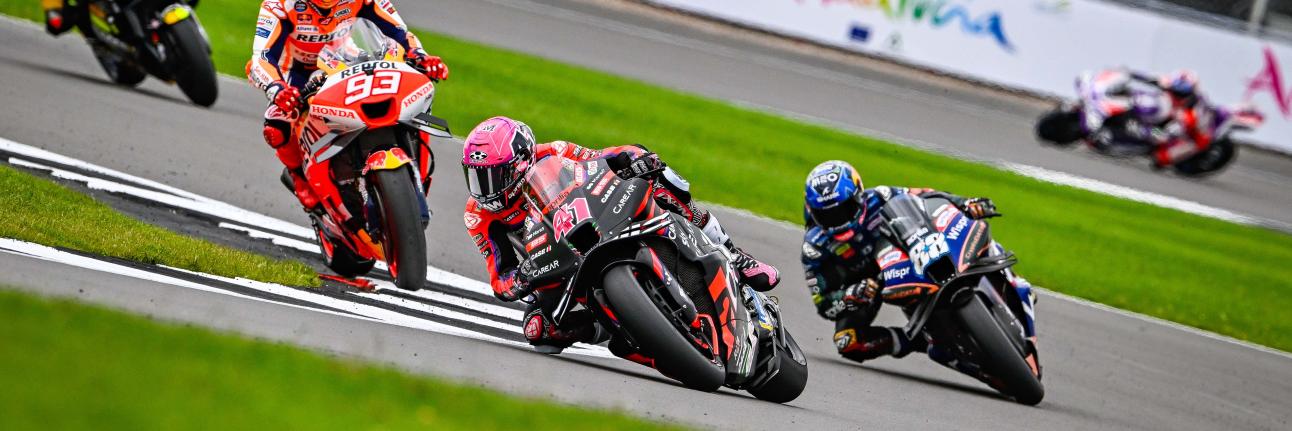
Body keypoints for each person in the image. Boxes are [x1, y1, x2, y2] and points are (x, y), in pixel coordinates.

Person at [460, 116, 780, 354]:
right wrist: (522, 277)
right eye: (476, 178)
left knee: (657, 177)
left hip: (597, 220)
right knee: (537, 330)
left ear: (519, 164)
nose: (485, 189)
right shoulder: (478, 215)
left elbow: (603, 157)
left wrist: (633, 157)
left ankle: (733, 253)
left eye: (493, 176)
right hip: (553, 267)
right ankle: (615, 328)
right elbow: (499, 277)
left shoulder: (552, 152)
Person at [799, 160, 1039, 386]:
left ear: (858, 196)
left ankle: (1010, 279)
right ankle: (919, 340)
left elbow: (927, 196)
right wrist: (850, 295)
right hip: (871, 285)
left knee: (966, 225)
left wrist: (965, 204)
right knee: (848, 341)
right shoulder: (815, 246)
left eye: (844, 209)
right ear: (812, 211)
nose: (838, 221)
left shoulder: (879, 196)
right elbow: (823, 302)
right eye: (827, 215)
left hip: (907, 250)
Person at [247, 0, 449, 211]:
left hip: (345, 59)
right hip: (297, 74)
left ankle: (415, 169)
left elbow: (400, 32)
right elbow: (261, 58)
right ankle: (299, 177)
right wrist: (276, 88)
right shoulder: (278, 5)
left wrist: (421, 56)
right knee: (276, 125)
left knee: (410, 88)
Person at [1085, 68, 1212, 167]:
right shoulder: (1167, 85)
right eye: (1175, 87)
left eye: (1181, 91)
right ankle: (1102, 110)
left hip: (1150, 128)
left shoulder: (1185, 115)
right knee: (1126, 96)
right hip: (1141, 105)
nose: (1176, 92)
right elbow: (1147, 78)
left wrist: (1145, 131)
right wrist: (1127, 74)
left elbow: (1164, 135)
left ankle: (1111, 137)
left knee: (1139, 136)